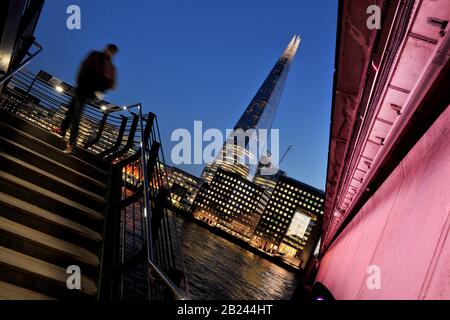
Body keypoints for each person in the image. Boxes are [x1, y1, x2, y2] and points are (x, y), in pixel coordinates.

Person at [53, 44, 118, 153]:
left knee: (76, 114)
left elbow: (83, 66)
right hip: (88, 89)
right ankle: (62, 130)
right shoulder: (110, 66)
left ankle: (72, 145)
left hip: (85, 86)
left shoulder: (96, 56)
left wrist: (81, 79)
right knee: (73, 108)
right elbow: (112, 84)